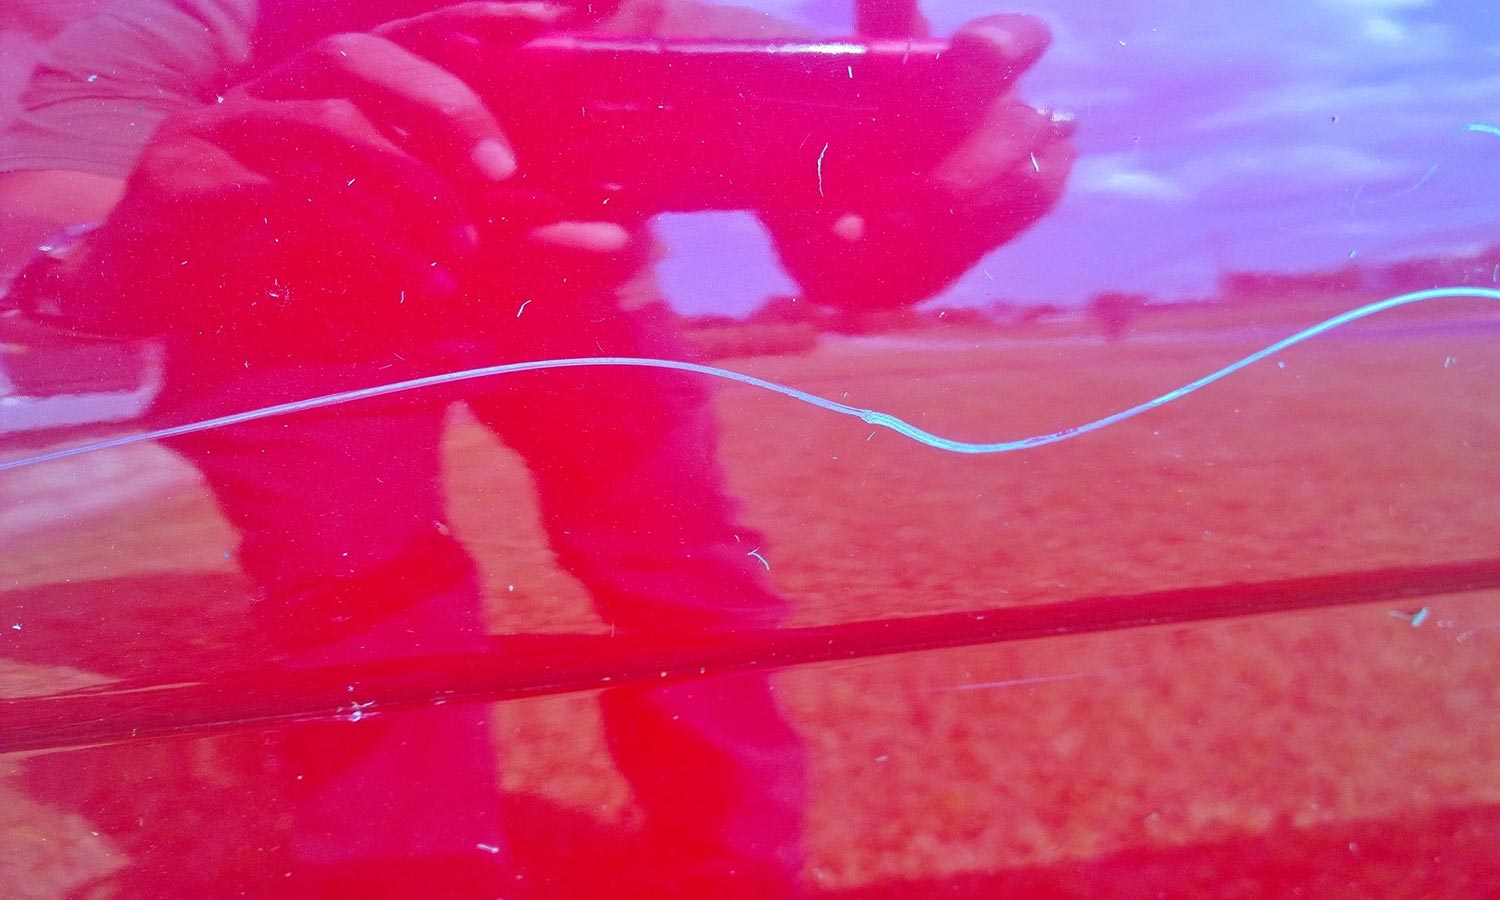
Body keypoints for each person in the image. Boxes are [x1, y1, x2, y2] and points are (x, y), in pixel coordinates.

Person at [0, 1, 1072, 895]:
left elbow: (850, 263)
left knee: (683, 582)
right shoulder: (204, 20)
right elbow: (39, 235)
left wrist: (928, 221)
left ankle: (732, 869)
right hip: (295, 304)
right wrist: (131, 247)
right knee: (368, 606)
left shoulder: (689, 28)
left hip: (571, 295)